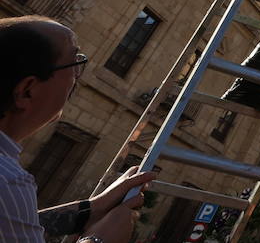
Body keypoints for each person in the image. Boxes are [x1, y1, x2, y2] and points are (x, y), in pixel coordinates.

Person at [0, 15, 154, 243]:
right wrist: (99, 240)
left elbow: (15, 223)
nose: (76, 79)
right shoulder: (8, 181)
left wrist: (93, 208)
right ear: (27, 91)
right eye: (74, 65)